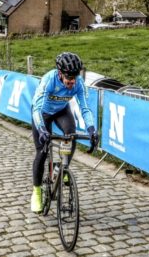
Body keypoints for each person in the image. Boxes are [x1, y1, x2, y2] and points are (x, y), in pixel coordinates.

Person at [29, 52, 98, 213]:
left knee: (70, 133)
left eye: (75, 76)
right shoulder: (49, 80)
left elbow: (85, 108)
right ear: (60, 73)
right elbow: (37, 108)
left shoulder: (78, 84)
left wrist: (91, 129)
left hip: (61, 111)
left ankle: (63, 166)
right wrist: (41, 129)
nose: (72, 81)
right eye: (69, 77)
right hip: (42, 113)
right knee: (42, 152)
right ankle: (37, 192)